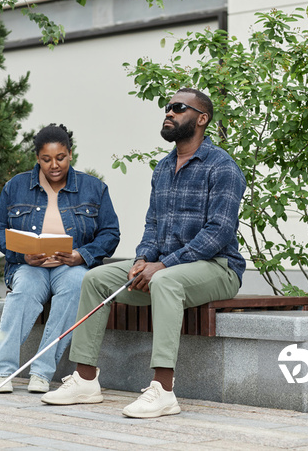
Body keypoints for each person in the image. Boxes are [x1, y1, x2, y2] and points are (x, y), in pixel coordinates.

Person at [41, 88, 246, 418]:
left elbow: (218, 233)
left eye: (179, 108)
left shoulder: (222, 168)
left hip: (217, 267)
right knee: (95, 279)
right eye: (168, 107)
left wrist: (162, 265)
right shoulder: (163, 169)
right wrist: (141, 261)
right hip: (165, 267)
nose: (169, 113)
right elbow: (152, 226)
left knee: (165, 282)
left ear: (202, 119)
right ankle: (85, 380)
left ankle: (163, 390)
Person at [0, 123, 120, 394]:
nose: (54, 165)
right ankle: (2, 371)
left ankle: (41, 372)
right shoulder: (17, 186)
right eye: (46, 159)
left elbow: (110, 233)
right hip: (29, 265)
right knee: (23, 292)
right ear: (37, 158)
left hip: (70, 266)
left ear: (70, 154)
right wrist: (21, 254)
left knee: (77, 287)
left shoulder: (94, 188)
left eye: (60, 157)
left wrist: (81, 255)